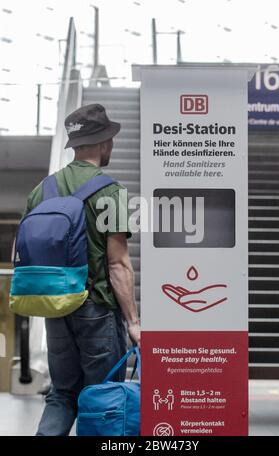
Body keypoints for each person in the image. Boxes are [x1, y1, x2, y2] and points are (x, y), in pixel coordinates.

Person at [20, 103, 140, 436]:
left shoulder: (41, 191)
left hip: (56, 306)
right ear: (104, 143)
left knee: (62, 394)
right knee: (103, 397)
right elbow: (117, 264)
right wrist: (133, 321)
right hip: (96, 308)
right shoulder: (110, 192)